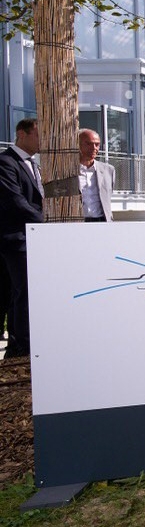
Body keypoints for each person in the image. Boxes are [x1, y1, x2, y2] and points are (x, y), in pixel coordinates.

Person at [0, 118, 44, 359]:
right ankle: (21, 346)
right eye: (38, 134)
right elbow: (15, 202)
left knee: (27, 292)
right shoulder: (6, 163)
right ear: (22, 134)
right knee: (23, 293)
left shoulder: (34, 165)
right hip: (16, 240)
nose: (42, 140)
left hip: (33, 239)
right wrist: (45, 222)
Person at [78, 129, 114, 222]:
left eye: (97, 144)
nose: (94, 148)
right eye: (88, 144)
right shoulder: (69, 171)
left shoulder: (108, 170)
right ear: (78, 145)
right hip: (77, 222)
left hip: (101, 221)